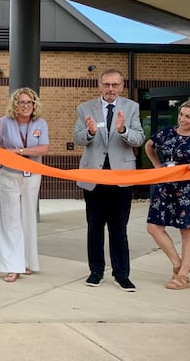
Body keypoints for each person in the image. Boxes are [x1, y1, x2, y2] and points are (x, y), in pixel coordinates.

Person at [73, 68, 144, 292]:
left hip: (121, 178)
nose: (110, 89)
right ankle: (95, 272)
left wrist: (123, 130)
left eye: (115, 85)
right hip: (94, 177)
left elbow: (139, 138)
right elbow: (77, 138)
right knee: (94, 226)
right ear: (99, 85)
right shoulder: (85, 108)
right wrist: (91, 133)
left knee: (118, 228)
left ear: (122, 86)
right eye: (106, 84)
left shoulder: (132, 107)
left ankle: (122, 274)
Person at [144, 97, 190, 290]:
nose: (183, 119)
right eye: (181, 114)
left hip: (189, 189)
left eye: (188, 117)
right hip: (165, 186)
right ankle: (178, 263)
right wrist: (157, 166)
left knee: (186, 230)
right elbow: (149, 146)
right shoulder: (167, 132)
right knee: (153, 227)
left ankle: (183, 275)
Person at [0, 87, 49, 282]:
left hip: (32, 176)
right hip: (8, 175)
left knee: (28, 218)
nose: (25, 106)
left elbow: (43, 148)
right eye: (21, 102)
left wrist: (19, 152)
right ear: (15, 104)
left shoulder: (40, 123)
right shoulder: (3, 123)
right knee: (11, 220)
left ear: (34, 105)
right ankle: (12, 265)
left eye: (29, 102)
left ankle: (27, 262)